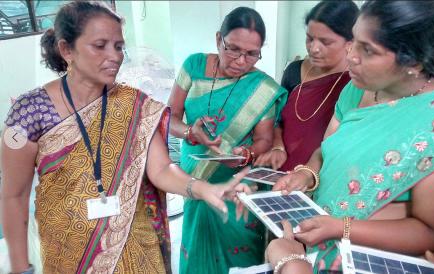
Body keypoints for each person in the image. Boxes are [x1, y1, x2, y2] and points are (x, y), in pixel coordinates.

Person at [0, 2, 249, 273]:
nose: (115, 56)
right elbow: (14, 195)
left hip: (136, 246)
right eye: (100, 45)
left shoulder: (136, 105)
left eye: (118, 46)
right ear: (66, 49)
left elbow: (162, 169)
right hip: (69, 253)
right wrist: (20, 267)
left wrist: (204, 188)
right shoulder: (29, 112)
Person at [274, 0, 434, 272]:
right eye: (354, 42)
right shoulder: (356, 90)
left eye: (367, 50)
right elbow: (325, 150)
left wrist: (341, 228)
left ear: (414, 61)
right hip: (319, 243)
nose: (351, 57)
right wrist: (307, 174)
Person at [167, 7, 288, 273]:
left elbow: (264, 140)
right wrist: (189, 132)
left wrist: (244, 155)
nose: (242, 61)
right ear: (218, 39)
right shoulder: (194, 66)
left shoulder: (262, 88)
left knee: (239, 256)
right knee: (199, 246)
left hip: (237, 185)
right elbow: (170, 118)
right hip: (195, 175)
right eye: (233, 49)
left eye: (252, 54)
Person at [255, 1, 358, 171]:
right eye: (310, 38)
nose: (314, 48)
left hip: (321, 177)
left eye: (325, 42)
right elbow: (278, 119)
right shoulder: (294, 71)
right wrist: (277, 147)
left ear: (350, 42)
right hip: (279, 171)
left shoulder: (356, 84)